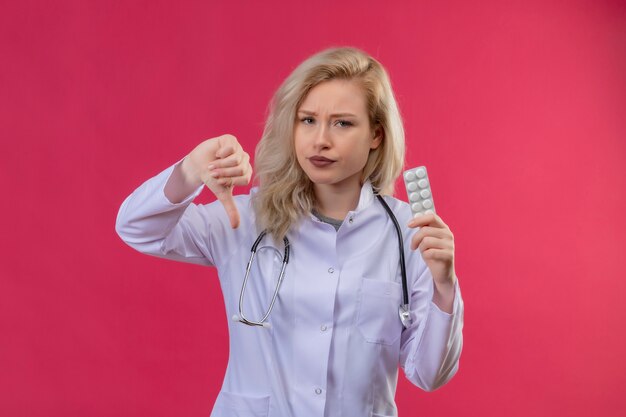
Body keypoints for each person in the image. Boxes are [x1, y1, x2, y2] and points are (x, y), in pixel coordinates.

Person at [116, 46, 463, 417]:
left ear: (376, 134)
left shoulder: (409, 234)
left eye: (342, 123)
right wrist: (189, 170)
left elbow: (429, 375)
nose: (320, 141)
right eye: (308, 120)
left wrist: (445, 287)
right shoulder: (247, 218)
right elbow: (136, 228)